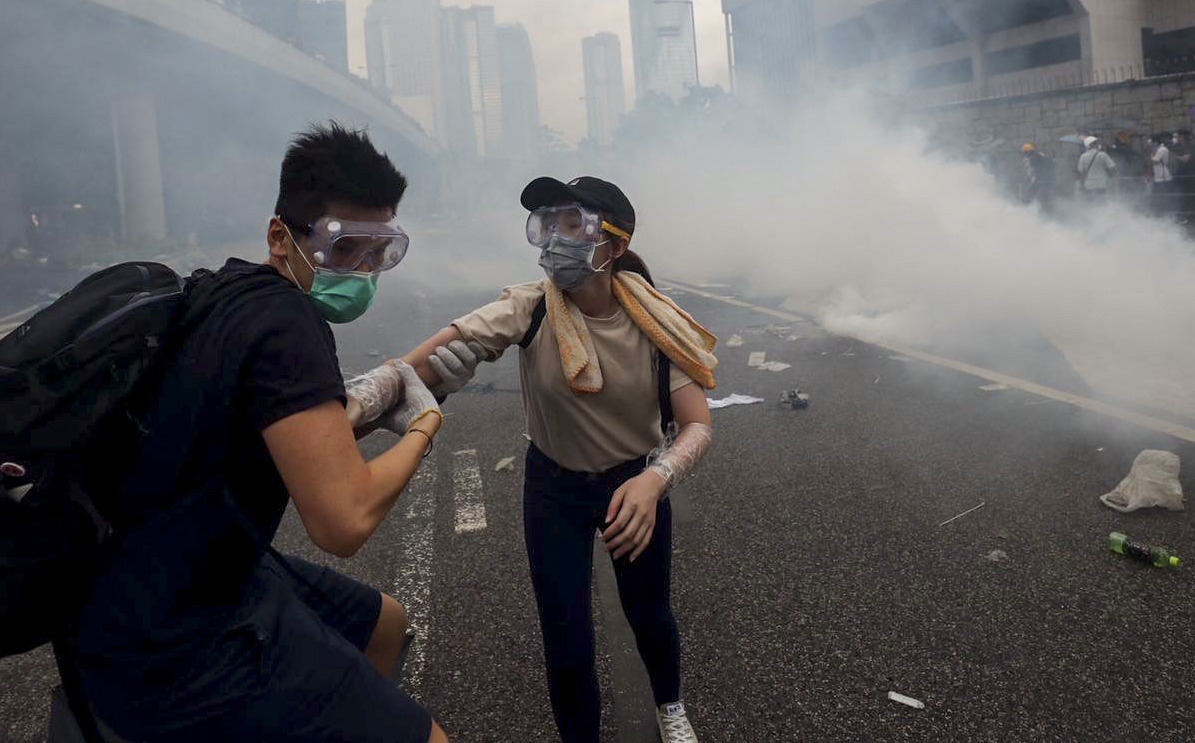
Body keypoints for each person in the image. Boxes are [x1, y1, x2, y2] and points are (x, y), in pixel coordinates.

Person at [66, 123, 456, 743]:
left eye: (379, 249)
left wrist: (379, 399)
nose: (362, 269)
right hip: (175, 634)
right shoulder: (290, 325)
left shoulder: (226, 291)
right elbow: (343, 521)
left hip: (156, 575)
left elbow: (278, 433)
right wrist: (424, 426)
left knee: (384, 624)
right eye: (342, 246)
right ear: (281, 236)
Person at [398, 177, 715, 743]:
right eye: (548, 224)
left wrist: (656, 479)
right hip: (554, 487)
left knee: (649, 613)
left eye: (574, 225)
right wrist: (362, 400)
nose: (555, 240)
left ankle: (670, 705)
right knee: (566, 637)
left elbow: (696, 425)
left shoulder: (657, 324)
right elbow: (417, 365)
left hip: (634, 485)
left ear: (614, 246)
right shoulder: (530, 308)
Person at [1077, 136, 1116, 202]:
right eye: (1096, 143)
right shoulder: (1103, 155)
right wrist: (1111, 178)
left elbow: (1080, 172)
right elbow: (1112, 168)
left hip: (1089, 185)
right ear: (1092, 144)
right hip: (1102, 183)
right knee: (1102, 203)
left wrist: (1081, 185)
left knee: (1090, 204)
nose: (1098, 144)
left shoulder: (1083, 156)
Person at [1020, 143, 1056, 209]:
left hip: (1040, 180)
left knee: (1030, 195)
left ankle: (1026, 210)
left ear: (1027, 152)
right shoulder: (1041, 155)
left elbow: (1033, 171)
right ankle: (1048, 212)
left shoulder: (1032, 159)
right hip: (1049, 180)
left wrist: (1032, 181)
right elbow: (1052, 164)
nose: (1025, 155)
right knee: (1046, 198)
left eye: (1025, 153)